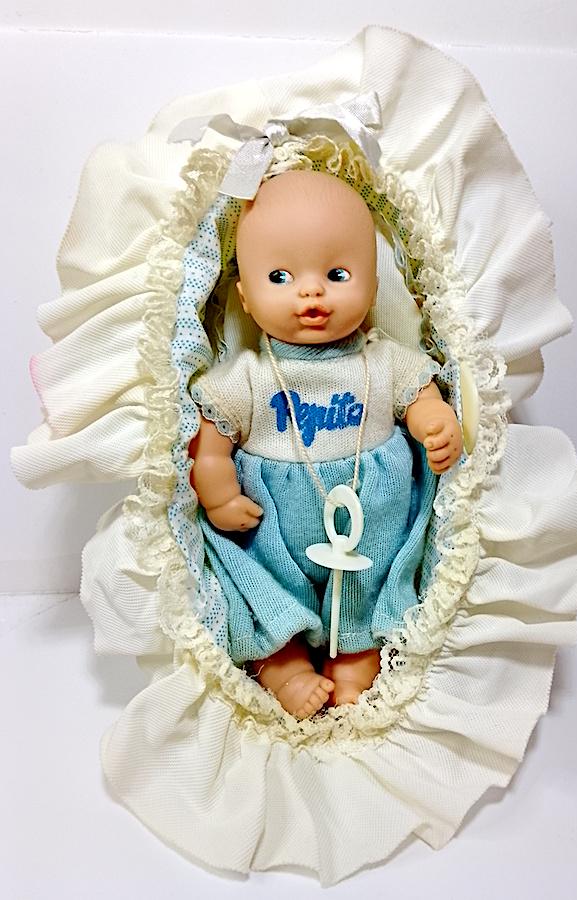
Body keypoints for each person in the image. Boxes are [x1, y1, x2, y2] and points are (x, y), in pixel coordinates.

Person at [189, 169, 463, 718]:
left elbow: (421, 395)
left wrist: (435, 420)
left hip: (370, 517)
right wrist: (218, 492)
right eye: (281, 276)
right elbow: (210, 439)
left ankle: (357, 654)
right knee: (261, 582)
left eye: (337, 274)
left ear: (373, 287)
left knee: (372, 577)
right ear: (245, 296)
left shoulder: (382, 361)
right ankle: (283, 663)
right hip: (272, 527)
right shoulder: (250, 376)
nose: (310, 292)